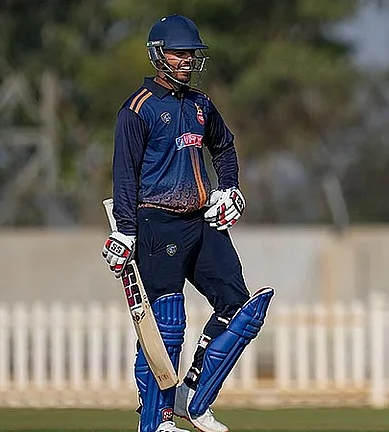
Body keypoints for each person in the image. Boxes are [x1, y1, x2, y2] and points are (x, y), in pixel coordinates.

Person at [101, 14, 274, 432]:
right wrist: (125, 230)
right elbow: (125, 175)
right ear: (159, 54)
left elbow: (224, 147)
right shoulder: (138, 109)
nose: (187, 61)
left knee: (240, 307)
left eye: (191, 54)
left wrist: (228, 189)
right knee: (167, 323)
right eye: (179, 53)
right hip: (156, 222)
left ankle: (192, 395)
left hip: (201, 220)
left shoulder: (200, 105)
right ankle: (156, 420)